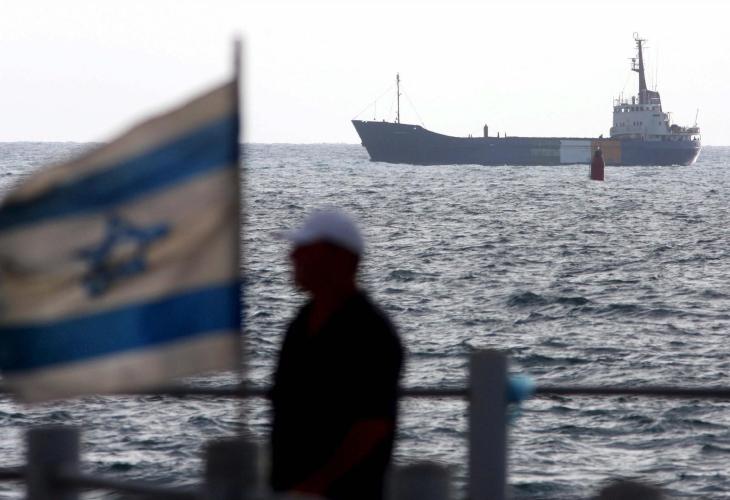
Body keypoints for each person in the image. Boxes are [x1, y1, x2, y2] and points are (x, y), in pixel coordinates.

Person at [270, 208, 404, 500]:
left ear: (339, 259)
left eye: (306, 250)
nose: (293, 256)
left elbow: (373, 424)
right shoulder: (300, 324)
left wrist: (317, 485)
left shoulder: (371, 333)